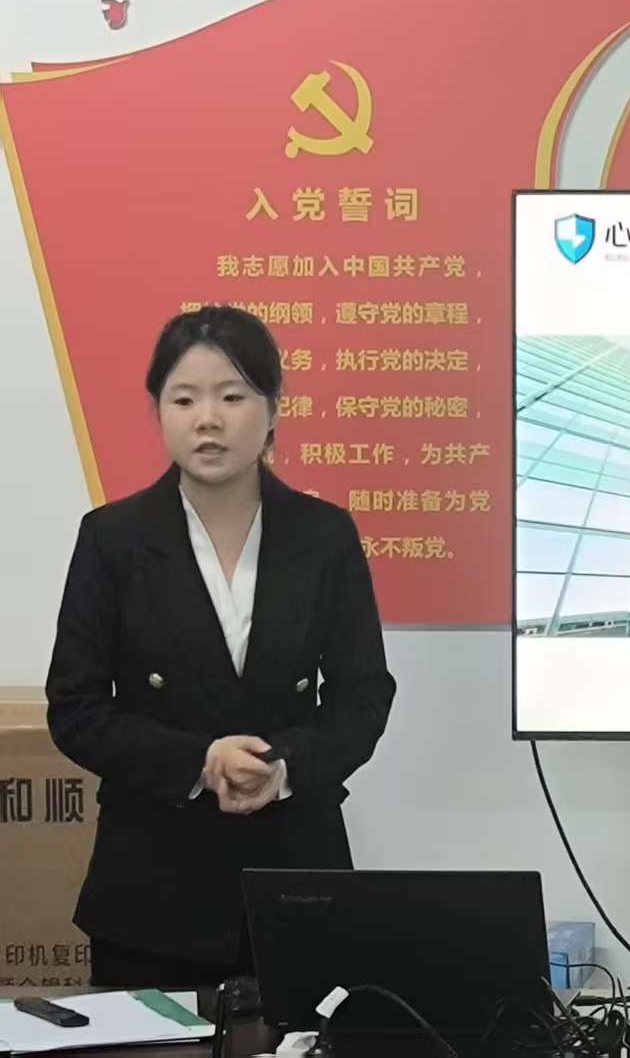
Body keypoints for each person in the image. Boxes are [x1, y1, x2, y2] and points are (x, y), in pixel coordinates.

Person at [45, 306, 396, 989]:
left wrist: (283, 765)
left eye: (232, 397)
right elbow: (76, 708)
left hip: (296, 876)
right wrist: (200, 762)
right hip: (151, 888)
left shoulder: (324, 536)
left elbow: (363, 696)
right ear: (159, 410)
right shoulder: (112, 538)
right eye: (184, 399)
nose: (207, 419)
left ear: (273, 409)